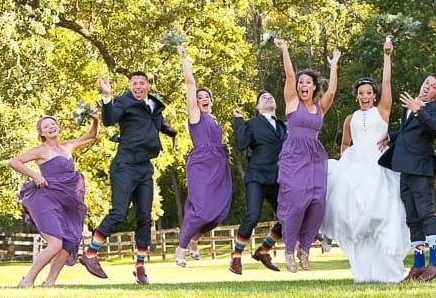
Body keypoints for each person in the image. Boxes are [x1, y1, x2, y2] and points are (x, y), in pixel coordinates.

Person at [321, 37, 409, 283]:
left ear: (374, 94)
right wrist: (344, 166)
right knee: (354, 216)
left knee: (383, 214)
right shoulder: (350, 118)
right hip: (355, 167)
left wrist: (387, 55)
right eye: (361, 93)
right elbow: (345, 144)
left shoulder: (383, 110)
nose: (365, 96)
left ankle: (387, 267)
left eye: (369, 92)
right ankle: (362, 267)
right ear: (356, 96)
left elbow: (387, 81)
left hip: (380, 167)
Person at [79, 71, 177, 285]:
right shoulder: (123, 101)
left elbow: (159, 123)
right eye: (134, 83)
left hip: (145, 168)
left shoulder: (153, 104)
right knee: (119, 212)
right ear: (130, 86)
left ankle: (140, 266)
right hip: (125, 165)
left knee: (145, 217)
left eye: (142, 83)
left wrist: (173, 133)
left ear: (148, 85)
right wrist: (107, 97)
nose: (138, 86)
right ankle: (90, 254)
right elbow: (109, 119)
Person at [8, 110, 99, 287]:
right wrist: (35, 175)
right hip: (46, 198)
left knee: (70, 242)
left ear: (58, 127)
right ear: (41, 133)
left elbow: (92, 135)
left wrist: (96, 120)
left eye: (53, 124)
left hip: (68, 200)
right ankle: (27, 280)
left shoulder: (67, 146)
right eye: (46, 126)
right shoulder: (40, 150)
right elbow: (14, 162)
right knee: (55, 243)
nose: (51, 127)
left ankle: (50, 282)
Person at [273, 38, 340, 272]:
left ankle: (305, 249)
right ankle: (289, 250)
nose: (302, 85)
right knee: (297, 202)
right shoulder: (292, 102)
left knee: (318, 204)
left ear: (313, 87)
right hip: (293, 155)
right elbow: (290, 77)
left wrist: (334, 65)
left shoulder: (320, 107)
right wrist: (285, 50)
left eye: (307, 82)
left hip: (315, 157)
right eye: (300, 82)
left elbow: (332, 90)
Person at [378, 72, 436, 282]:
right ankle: (418, 265)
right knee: (412, 218)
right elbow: (408, 135)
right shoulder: (410, 106)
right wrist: (391, 136)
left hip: (421, 170)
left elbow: (434, 129)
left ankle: (435, 262)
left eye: (434, 86)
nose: (428, 86)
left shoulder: (434, 109)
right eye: (427, 82)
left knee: (426, 214)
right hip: (405, 169)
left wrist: (419, 110)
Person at [173, 43, 233, 267]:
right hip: (201, 164)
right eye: (199, 97)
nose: (203, 98)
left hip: (219, 164)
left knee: (219, 209)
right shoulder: (195, 115)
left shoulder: (214, 119)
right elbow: (190, 83)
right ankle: (180, 250)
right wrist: (184, 59)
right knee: (200, 208)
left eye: (206, 96)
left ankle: (195, 238)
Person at [229, 90, 287, 274]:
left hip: (278, 178)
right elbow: (241, 144)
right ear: (257, 107)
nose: (269, 98)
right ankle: (236, 258)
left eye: (271, 96)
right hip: (257, 176)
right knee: (253, 216)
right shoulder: (252, 124)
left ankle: (263, 250)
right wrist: (239, 121)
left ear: (276, 104)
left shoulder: (284, 126)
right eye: (263, 98)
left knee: (287, 218)